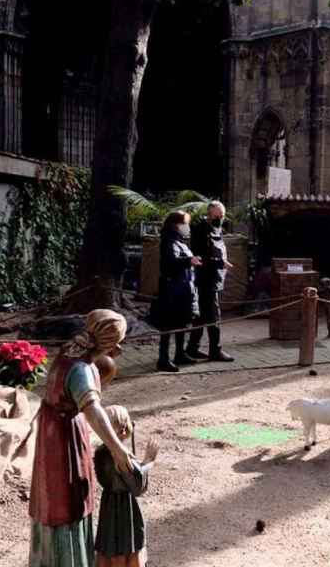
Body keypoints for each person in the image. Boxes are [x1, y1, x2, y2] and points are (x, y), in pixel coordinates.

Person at [29, 310, 135, 567]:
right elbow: (94, 412)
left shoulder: (71, 349)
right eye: (116, 341)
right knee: (67, 500)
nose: (118, 348)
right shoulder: (82, 369)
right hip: (63, 439)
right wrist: (118, 448)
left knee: (55, 497)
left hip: (53, 429)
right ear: (108, 340)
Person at [94, 406, 160, 567]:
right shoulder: (121, 455)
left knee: (110, 544)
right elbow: (137, 487)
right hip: (125, 509)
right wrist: (148, 462)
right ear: (123, 430)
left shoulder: (100, 452)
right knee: (125, 545)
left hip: (108, 505)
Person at [186, 201, 235, 363]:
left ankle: (192, 348)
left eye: (222, 216)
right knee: (214, 316)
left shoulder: (216, 228)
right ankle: (215, 350)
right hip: (205, 279)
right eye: (216, 216)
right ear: (209, 214)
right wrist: (220, 263)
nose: (220, 219)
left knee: (201, 316)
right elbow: (200, 256)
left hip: (214, 278)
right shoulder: (200, 229)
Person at [152, 210, 201, 373]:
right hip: (172, 290)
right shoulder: (168, 241)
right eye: (184, 223)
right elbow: (170, 263)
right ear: (176, 224)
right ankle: (163, 359)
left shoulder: (179, 241)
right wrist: (189, 260)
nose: (186, 227)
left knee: (182, 323)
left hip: (184, 288)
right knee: (168, 325)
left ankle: (180, 354)